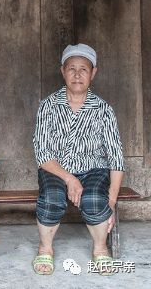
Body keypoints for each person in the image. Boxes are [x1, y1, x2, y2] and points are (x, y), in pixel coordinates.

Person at [32, 44, 125, 276]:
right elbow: (42, 154)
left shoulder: (103, 109)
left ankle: (101, 248)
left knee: (95, 199)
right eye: (71, 68)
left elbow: (116, 158)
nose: (77, 74)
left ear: (93, 73)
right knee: (51, 197)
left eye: (83, 69)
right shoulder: (48, 106)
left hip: (94, 169)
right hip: (55, 169)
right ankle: (45, 247)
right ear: (62, 71)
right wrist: (69, 178)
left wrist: (110, 203)